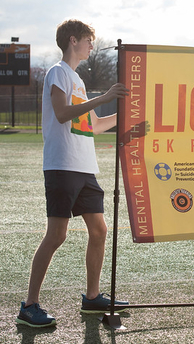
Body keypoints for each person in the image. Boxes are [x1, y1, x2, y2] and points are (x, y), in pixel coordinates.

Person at [16, 19, 129, 328]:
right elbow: (63, 113)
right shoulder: (58, 73)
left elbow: (94, 125)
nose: (92, 45)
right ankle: (29, 306)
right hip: (62, 165)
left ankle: (92, 297)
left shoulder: (78, 81)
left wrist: (131, 117)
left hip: (85, 167)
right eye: (89, 40)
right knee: (57, 235)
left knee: (99, 230)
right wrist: (104, 97)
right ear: (73, 40)